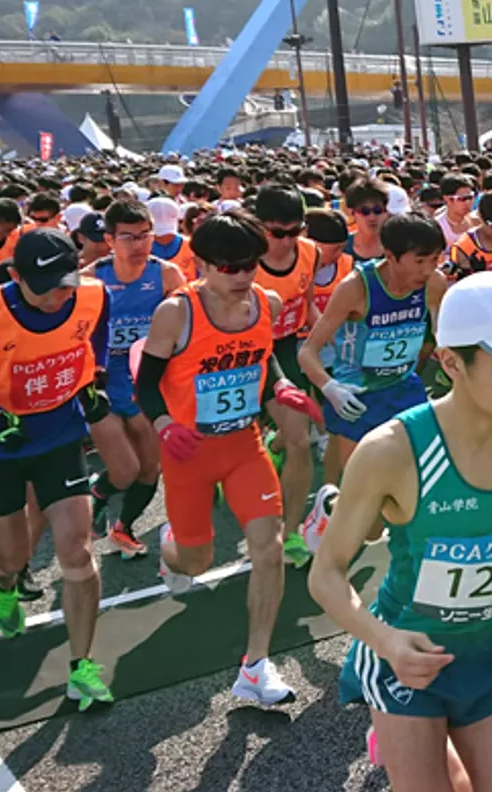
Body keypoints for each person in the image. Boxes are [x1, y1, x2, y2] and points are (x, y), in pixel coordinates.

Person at [308, 271, 492, 791]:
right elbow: (325, 576)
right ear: (451, 362)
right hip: (408, 651)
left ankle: (440, 743)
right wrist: (384, 641)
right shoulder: (391, 451)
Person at [139, 212, 321, 706]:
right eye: (230, 267)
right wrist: (164, 425)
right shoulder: (175, 314)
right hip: (189, 453)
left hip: (244, 445)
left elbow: (265, 360)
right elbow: (146, 384)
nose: (243, 277)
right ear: (202, 264)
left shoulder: (267, 301)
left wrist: (280, 386)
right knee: (197, 563)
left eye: (250, 265)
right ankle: (171, 545)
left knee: (269, 546)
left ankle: (255, 666)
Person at [0, 228, 116, 710]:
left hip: (60, 437)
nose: (58, 296)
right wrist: (0, 418)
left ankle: (82, 666)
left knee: (77, 552)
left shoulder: (91, 295)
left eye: (66, 283)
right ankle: (3, 580)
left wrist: (95, 376)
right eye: (45, 287)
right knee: (15, 556)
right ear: (16, 276)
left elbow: (98, 337)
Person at [298, 212, 448, 513]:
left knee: (413, 482)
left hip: (404, 388)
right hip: (357, 396)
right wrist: (330, 388)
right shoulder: (355, 288)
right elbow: (308, 352)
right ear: (390, 256)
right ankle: (327, 512)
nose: (428, 269)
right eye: (420, 261)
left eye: (435, 259)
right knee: (360, 498)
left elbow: (443, 336)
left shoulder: (434, 283)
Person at [84, 200, 186, 555]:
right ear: (109, 239)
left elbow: (184, 329)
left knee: (149, 470)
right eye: (129, 237)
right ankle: (97, 494)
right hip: (102, 385)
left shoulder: (168, 274)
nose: (140, 244)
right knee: (125, 469)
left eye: (145, 235)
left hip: (147, 383)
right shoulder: (91, 279)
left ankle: (122, 527)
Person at [250, 186, 322, 567]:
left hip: (284, 349)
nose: (286, 241)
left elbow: (307, 306)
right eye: (277, 233)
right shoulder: (242, 258)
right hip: (241, 354)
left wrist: (328, 338)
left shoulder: (310, 252)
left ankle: (291, 531)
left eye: (295, 231)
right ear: (259, 227)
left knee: (301, 438)